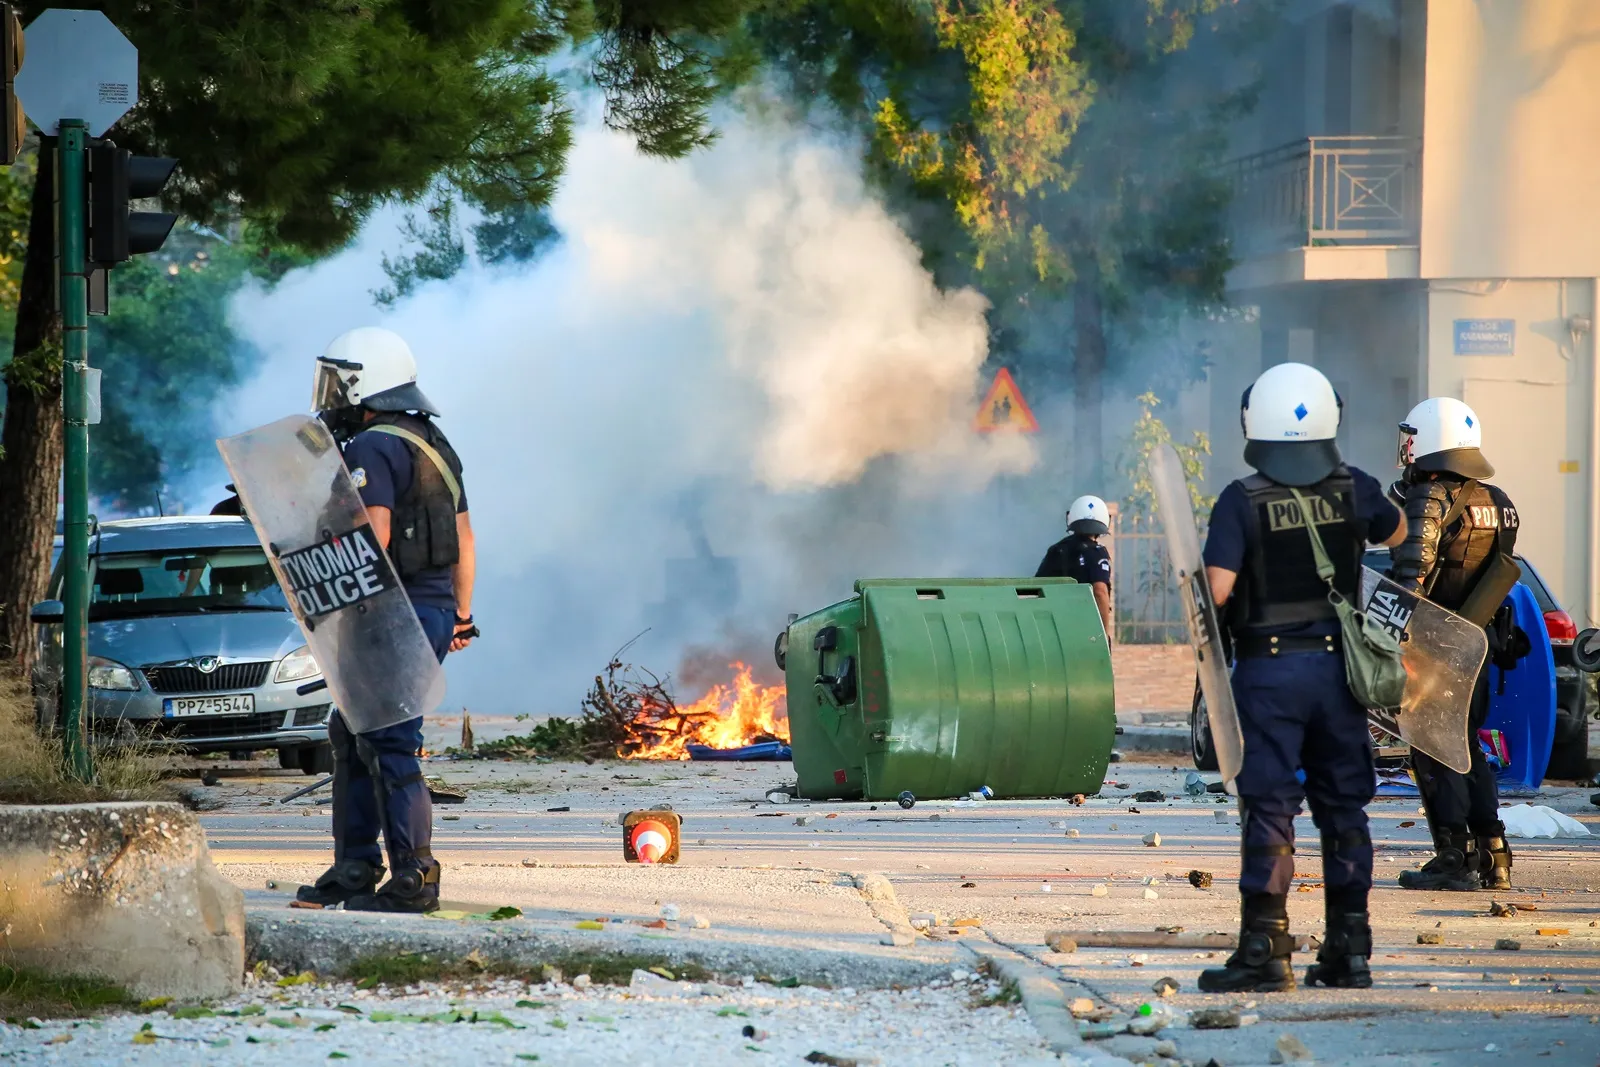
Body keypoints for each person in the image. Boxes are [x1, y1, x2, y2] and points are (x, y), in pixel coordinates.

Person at [1196, 362, 1407, 993]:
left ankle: (1266, 949)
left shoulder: (1241, 499)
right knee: (1344, 807)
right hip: (1339, 676)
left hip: (1268, 673)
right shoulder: (1356, 487)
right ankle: (1350, 948)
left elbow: (1217, 589)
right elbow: (1396, 532)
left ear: (1252, 421)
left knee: (1270, 808)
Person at [296, 326, 477, 914]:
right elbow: (465, 540)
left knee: (390, 739)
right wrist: (462, 615)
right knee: (353, 730)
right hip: (429, 607)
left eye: (341, 382)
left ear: (366, 383)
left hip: (384, 606)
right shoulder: (434, 444)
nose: (334, 395)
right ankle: (354, 867)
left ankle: (413, 879)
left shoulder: (373, 446)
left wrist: (346, 605)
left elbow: (370, 534)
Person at [1388, 397, 1519, 892]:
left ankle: (1453, 857)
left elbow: (1410, 579)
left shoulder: (1431, 497)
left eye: (1411, 436)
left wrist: (1388, 645)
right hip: (1478, 643)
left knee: (1432, 750)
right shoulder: (1499, 501)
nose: (1406, 447)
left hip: (1435, 646)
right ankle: (1494, 853)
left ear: (1430, 440)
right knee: (1468, 747)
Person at [1036, 495, 1113, 634]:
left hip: (1053, 628)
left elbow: (1037, 587)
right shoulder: (1097, 553)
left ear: (1071, 518)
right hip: (1084, 630)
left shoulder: (1056, 550)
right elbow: (1100, 591)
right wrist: (1105, 634)